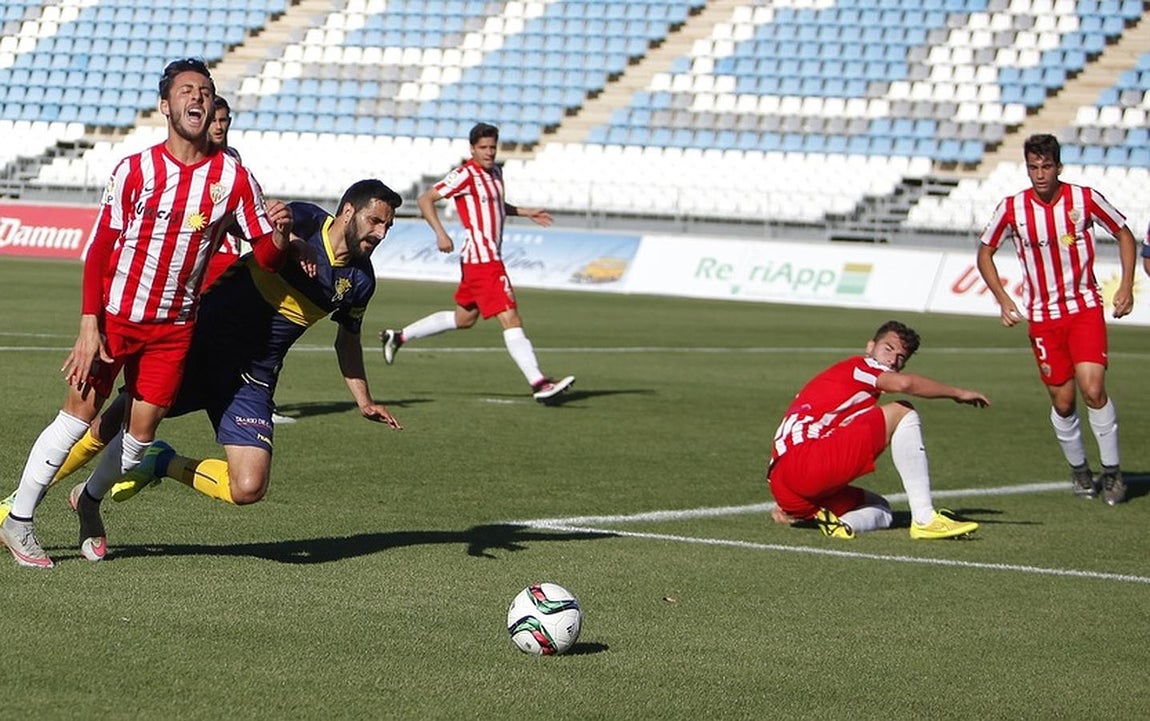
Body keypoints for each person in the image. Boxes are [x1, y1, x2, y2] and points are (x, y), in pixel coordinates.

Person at [0, 58, 291, 569]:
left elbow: (265, 256)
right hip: (115, 317)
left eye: (204, 91)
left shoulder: (234, 178)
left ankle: (88, 503)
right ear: (166, 106)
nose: (197, 99)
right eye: (186, 91)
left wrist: (278, 234)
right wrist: (89, 325)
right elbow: (100, 248)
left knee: (137, 441)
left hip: (174, 329)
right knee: (78, 418)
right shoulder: (135, 169)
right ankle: (19, 520)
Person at [42, 180, 404, 530]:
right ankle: (19, 503)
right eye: (375, 221)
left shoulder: (360, 282)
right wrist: (290, 240)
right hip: (200, 347)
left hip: (252, 378)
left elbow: (348, 340)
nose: (381, 233)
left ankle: (158, 463)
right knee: (111, 423)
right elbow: (259, 226)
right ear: (347, 212)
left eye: (387, 226)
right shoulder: (307, 219)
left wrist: (364, 401)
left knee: (248, 486)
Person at [976, 133, 1135, 506]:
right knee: (1063, 402)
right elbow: (985, 253)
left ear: (1058, 167)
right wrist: (1002, 299)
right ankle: (1080, 470)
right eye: (1034, 167)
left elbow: (1124, 234)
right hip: (1044, 318)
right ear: (1027, 168)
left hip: (1084, 308)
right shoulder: (1012, 208)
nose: (1040, 174)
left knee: (1093, 388)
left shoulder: (1085, 198)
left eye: (1047, 166)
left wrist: (1126, 285)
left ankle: (1112, 472)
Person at [379, 122, 574, 403]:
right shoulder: (465, 174)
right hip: (484, 261)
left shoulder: (496, 172)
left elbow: (494, 205)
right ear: (472, 149)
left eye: (493, 147)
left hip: (479, 260)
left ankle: (398, 336)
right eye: (483, 147)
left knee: (464, 319)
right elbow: (425, 200)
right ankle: (539, 383)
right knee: (510, 317)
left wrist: (525, 211)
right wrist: (441, 233)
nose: (489, 152)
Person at [767, 321, 988, 540]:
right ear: (870, 347)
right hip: (807, 462)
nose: (893, 360)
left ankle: (840, 525)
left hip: (783, 484)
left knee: (879, 507)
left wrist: (790, 497)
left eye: (901, 358)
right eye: (888, 349)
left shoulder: (839, 383)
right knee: (903, 410)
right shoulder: (860, 367)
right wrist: (958, 393)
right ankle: (925, 519)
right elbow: (904, 384)